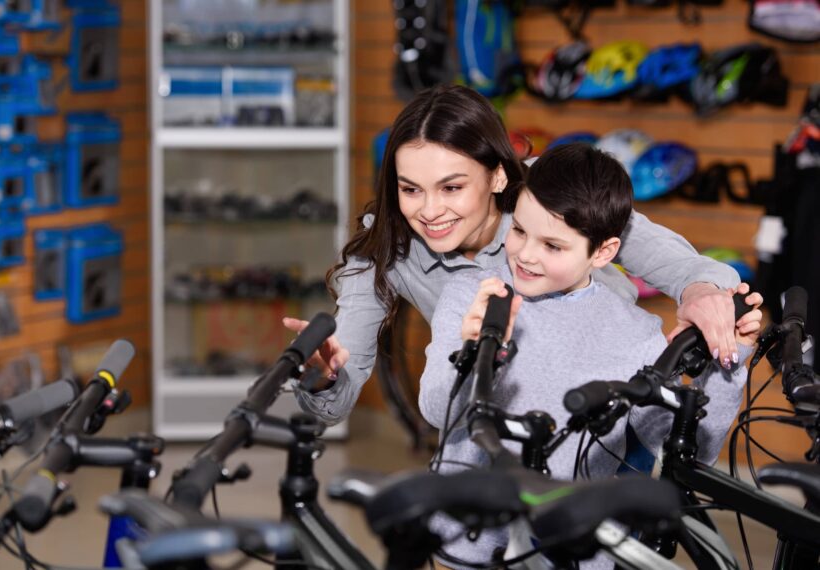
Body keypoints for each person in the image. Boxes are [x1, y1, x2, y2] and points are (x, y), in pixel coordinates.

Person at [285, 84, 742, 426]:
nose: (429, 210)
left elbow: (679, 265)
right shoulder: (383, 248)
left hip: (606, 411)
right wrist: (322, 376)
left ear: (499, 178)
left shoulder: (552, 190)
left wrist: (702, 293)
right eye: (410, 189)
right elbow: (336, 401)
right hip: (503, 426)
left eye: (452, 187)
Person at [417, 143, 763, 568]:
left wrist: (731, 367)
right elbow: (437, 410)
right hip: (464, 544)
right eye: (520, 231)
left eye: (553, 246)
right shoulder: (471, 296)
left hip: (572, 551)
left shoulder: (637, 336)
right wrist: (471, 352)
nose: (526, 254)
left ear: (602, 252)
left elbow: (688, 451)